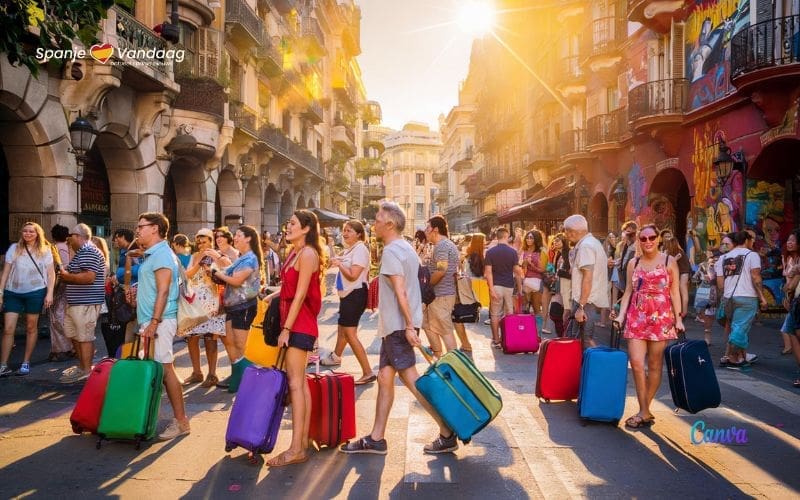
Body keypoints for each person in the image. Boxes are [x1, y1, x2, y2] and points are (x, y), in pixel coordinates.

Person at [340, 201, 458, 456]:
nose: (374, 222)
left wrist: (407, 326)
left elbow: (401, 289)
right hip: (398, 324)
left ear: (390, 224)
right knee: (384, 378)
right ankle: (376, 438)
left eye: (378, 218)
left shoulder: (393, 251)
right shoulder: (405, 247)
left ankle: (447, 432)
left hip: (398, 326)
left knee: (413, 379)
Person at [612, 224, 683, 429]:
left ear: (659, 238)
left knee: (654, 365)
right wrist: (621, 316)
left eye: (652, 237)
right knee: (635, 362)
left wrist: (678, 319)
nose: (648, 241)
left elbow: (675, 291)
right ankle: (644, 410)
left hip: (661, 318)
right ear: (638, 241)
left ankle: (644, 410)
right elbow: (627, 291)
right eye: (643, 238)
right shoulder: (633, 263)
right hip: (636, 317)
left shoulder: (669, 261)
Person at [265, 210, 322, 467]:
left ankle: (296, 448)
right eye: (288, 222)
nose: (288, 227)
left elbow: (300, 295)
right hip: (294, 322)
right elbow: (290, 289)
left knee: (296, 384)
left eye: (293, 224)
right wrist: (273, 295)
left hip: (299, 325)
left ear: (306, 228)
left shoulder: (308, 253)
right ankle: (303, 441)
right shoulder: (294, 253)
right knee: (300, 384)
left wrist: (286, 329)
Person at [132, 212, 190, 440]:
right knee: (160, 370)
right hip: (153, 320)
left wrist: (154, 322)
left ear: (154, 228)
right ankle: (149, 419)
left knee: (166, 370)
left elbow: (164, 290)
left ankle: (181, 422)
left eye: (141, 226)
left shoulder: (162, 255)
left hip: (161, 321)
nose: (137, 230)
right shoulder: (153, 254)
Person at [321, 220, 376, 385]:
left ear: (359, 234)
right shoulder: (351, 250)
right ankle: (336, 357)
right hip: (348, 295)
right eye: (344, 230)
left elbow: (353, 275)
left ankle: (367, 371)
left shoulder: (360, 250)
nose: (345, 233)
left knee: (350, 334)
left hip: (355, 295)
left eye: (349, 231)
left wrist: (339, 265)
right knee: (342, 328)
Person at [0, 222, 55, 377]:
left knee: (31, 327)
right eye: (25, 231)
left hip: (36, 291)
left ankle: (26, 362)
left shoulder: (45, 250)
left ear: (38, 234)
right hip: (13, 291)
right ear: (21, 233)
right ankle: (3, 365)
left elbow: (51, 274)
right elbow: (5, 272)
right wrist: (0, 292)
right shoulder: (13, 249)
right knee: (8, 329)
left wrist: (49, 293)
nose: (28, 233)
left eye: (31, 231)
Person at [210, 225, 260, 390]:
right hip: (232, 306)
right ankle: (240, 375)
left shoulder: (250, 258)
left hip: (244, 306)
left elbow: (236, 281)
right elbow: (229, 274)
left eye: (239, 235)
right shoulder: (241, 257)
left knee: (239, 345)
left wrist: (217, 273)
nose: (235, 238)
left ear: (248, 238)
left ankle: (253, 376)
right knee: (229, 341)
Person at [58, 224, 106, 383]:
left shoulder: (88, 251)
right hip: (77, 302)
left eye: (70, 236)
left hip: (85, 302)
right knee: (75, 335)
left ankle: (86, 370)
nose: (68, 240)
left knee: (84, 337)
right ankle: (82, 367)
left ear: (78, 236)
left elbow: (89, 277)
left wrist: (66, 276)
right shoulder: (82, 252)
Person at [181, 228, 227, 388]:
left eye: (204, 241)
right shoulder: (194, 256)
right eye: (199, 241)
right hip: (194, 300)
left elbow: (224, 274)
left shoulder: (217, 255)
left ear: (210, 241)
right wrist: (199, 261)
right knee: (192, 336)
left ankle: (212, 374)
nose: (201, 244)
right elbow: (187, 275)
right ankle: (196, 372)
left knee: (210, 337)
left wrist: (211, 269)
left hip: (212, 300)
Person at [717, 231, 766, 368]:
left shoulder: (723, 257)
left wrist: (723, 298)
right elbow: (756, 277)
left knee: (736, 327)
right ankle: (733, 358)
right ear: (747, 241)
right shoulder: (752, 255)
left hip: (728, 297)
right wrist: (762, 297)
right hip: (747, 297)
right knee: (740, 329)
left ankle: (737, 356)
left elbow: (720, 283)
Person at [564, 215, 609, 347]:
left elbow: (587, 278)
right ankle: (582, 366)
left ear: (573, 231)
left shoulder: (586, 246)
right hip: (587, 299)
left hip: (586, 301)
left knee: (582, 340)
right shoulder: (591, 243)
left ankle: (589, 367)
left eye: (566, 231)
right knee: (578, 338)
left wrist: (581, 306)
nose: (566, 234)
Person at [421, 215, 460, 357]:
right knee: (427, 324)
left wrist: (427, 286)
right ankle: (439, 356)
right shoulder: (444, 245)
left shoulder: (442, 246)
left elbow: (441, 270)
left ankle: (454, 363)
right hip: (439, 295)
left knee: (445, 330)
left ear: (435, 229)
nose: (426, 231)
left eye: (428, 228)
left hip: (441, 295)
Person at [484, 227, 523, 349]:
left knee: (495, 314)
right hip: (509, 286)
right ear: (506, 237)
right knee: (509, 313)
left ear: (497, 237)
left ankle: (496, 340)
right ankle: (509, 338)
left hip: (496, 285)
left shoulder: (490, 252)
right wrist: (520, 289)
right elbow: (517, 272)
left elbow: (488, 272)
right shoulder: (512, 252)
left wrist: (491, 288)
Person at [47, 224, 74, 362]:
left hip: (59, 286)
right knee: (65, 316)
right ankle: (69, 346)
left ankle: (62, 348)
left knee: (56, 317)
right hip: (69, 285)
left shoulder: (55, 248)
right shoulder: (70, 247)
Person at [660, 229, 690, 322]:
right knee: (675, 290)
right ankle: (677, 310)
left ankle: (684, 311)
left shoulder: (678, 252)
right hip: (677, 272)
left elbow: (670, 262)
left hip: (683, 271)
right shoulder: (667, 251)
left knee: (682, 288)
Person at [692, 249, 719, 345]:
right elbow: (695, 277)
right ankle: (707, 336)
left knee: (709, 313)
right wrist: (702, 275)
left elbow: (695, 278)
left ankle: (708, 335)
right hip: (706, 290)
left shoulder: (720, 264)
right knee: (707, 313)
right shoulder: (703, 265)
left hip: (715, 290)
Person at [780, 230, 800, 356]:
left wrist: (788, 291)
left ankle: (788, 348)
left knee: (790, 329)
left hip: (796, 297)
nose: (789, 243)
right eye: (788, 240)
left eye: (792, 240)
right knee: (789, 329)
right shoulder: (790, 259)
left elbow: (791, 286)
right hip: (793, 299)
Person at [519, 230, 545, 316]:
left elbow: (542, 270)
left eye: (531, 238)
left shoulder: (541, 252)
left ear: (536, 239)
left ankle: (538, 329)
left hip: (536, 282)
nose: (528, 239)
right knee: (524, 309)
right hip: (525, 282)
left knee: (536, 309)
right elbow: (520, 268)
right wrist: (524, 264)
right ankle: (526, 328)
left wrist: (531, 265)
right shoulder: (523, 251)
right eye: (527, 237)